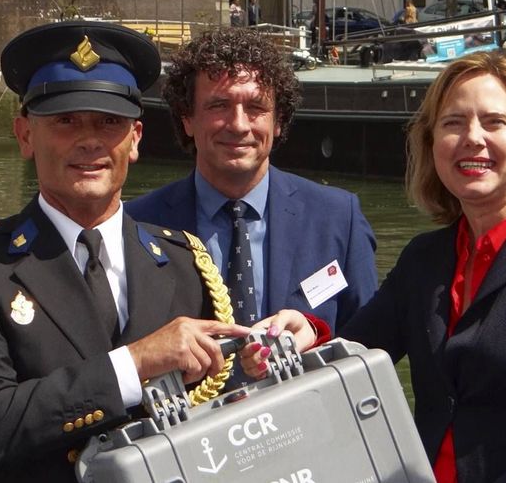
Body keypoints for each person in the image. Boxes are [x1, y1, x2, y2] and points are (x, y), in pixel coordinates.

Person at [245, 52, 506, 483]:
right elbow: (354, 352)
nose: (472, 138)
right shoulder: (424, 260)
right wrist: (309, 331)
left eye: (494, 122)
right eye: (453, 123)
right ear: (432, 145)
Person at [0, 21, 250, 483]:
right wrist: (134, 364)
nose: (90, 140)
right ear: (25, 135)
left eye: (109, 122)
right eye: (65, 121)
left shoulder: (183, 260)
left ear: (135, 138)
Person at [126, 26, 377, 334]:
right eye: (219, 106)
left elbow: (369, 347)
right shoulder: (136, 226)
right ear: (187, 118)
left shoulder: (338, 219)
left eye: (256, 107)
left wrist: (315, 337)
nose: (239, 125)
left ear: (278, 122)